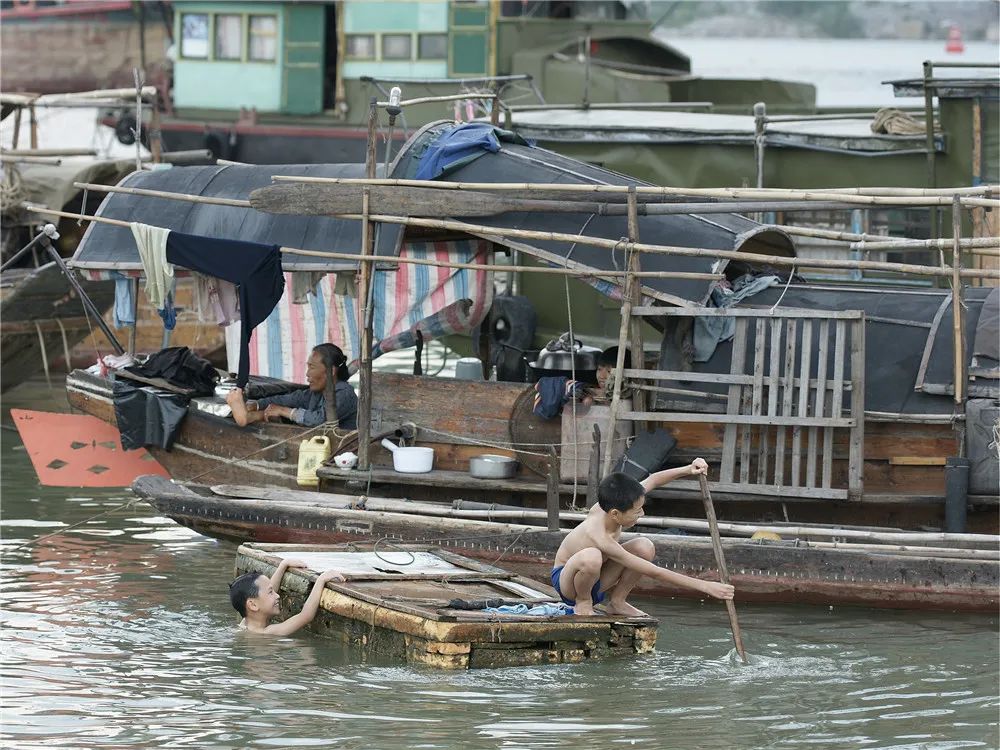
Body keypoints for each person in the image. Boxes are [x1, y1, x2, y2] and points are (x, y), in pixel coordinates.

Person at [551, 458, 735, 616]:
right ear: (615, 514)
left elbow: (654, 480)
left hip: (597, 578)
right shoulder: (598, 535)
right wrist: (705, 586)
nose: (642, 514)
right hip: (568, 583)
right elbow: (654, 571)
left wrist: (688, 469)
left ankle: (617, 602)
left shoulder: (619, 500)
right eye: (637, 511)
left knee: (644, 546)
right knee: (591, 556)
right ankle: (583, 601)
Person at [226, 343, 358, 429]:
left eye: (311, 367)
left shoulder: (344, 393)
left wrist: (284, 411)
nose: (307, 373)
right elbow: (288, 399)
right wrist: (256, 405)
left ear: (331, 371)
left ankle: (247, 417)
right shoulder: (316, 393)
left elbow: (319, 420)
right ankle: (249, 416)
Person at [230, 557, 345, 635]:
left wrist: (283, 565)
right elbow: (305, 616)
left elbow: (265, 593)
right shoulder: (268, 633)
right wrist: (321, 580)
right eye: (271, 592)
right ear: (253, 605)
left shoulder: (246, 623)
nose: (277, 596)